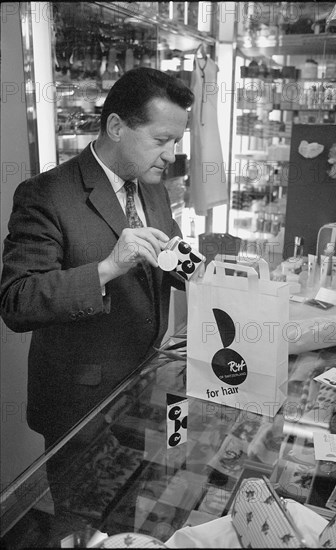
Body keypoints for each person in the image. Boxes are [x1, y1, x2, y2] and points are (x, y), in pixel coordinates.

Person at [0, 67, 194, 446]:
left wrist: (209, 272)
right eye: (161, 140)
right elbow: (17, 301)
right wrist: (108, 268)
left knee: (143, 499)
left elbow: (166, 258)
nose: (171, 155)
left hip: (146, 387)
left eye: (176, 141)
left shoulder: (153, 187)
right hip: (81, 406)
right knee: (87, 507)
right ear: (117, 127)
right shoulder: (47, 194)